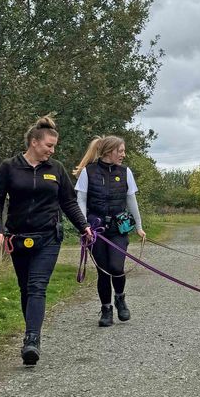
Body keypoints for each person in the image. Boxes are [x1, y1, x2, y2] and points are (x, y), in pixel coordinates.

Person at [0, 115, 93, 366]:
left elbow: (68, 201)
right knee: (25, 288)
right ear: (34, 142)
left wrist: (84, 226)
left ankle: (31, 339)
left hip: (48, 237)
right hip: (17, 237)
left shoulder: (55, 169)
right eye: (49, 145)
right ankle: (31, 334)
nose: (52, 150)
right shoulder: (9, 167)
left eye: (54, 146)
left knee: (37, 286)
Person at [73, 136, 146, 327]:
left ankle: (120, 298)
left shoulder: (125, 172)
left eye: (123, 151)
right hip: (95, 230)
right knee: (103, 271)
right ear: (108, 151)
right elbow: (80, 199)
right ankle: (106, 309)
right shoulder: (88, 172)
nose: (123, 154)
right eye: (120, 151)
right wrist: (83, 226)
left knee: (116, 267)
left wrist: (138, 226)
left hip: (118, 229)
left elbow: (131, 200)